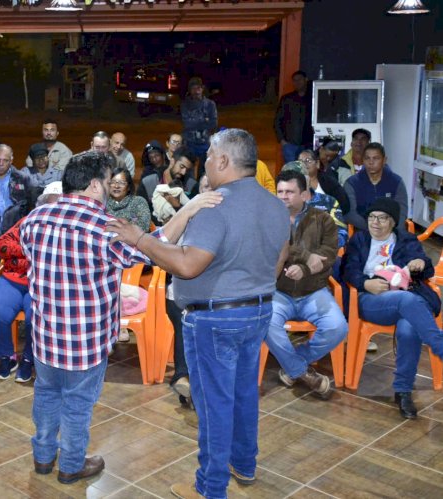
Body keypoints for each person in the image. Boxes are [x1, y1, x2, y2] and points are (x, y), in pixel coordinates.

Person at [108, 128, 289, 498]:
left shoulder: (215, 203)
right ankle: (245, 463)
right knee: (242, 393)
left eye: (209, 153)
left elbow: (189, 265)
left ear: (223, 161)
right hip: (258, 312)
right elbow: (278, 261)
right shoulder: (274, 204)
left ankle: (210, 488)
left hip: (215, 320)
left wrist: (139, 240)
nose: (206, 159)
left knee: (214, 404)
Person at [20, 151, 160, 485]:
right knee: (78, 404)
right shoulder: (104, 228)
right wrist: (188, 214)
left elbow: (27, 253)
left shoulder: (35, 218)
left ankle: (42, 458)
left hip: (44, 334)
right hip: (85, 341)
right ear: (96, 185)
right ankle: (70, 465)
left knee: (47, 394)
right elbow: (150, 250)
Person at [342, 198, 443, 419]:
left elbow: (426, 268)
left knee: (409, 328)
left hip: (405, 299)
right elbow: (348, 269)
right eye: (371, 217)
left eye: (382, 218)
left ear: (393, 222)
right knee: (407, 301)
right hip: (371, 300)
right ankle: (440, 345)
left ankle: (403, 390)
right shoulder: (359, 240)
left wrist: (420, 264)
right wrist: (365, 283)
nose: (375, 222)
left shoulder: (406, 240)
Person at [266, 170, 347, 399]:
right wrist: (304, 257)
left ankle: (294, 364)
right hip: (279, 290)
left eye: (290, 192)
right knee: (266, 321)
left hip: (313, 290)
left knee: (338, 327)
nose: (283, 196)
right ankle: (303, 372)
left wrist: (303, 269)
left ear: (305, 195)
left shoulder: (323, 220)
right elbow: (272, 250)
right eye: (280, 191)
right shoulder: (268, 219)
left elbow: (328, 255)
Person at [0, 182, 63, 383]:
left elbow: (56, 259)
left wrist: (21, 255)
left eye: (58, 204)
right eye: (49, 203)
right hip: (13, 279)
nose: (52, 208)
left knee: (34, 319)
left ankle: (29, 358)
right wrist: (30, 253)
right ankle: (7, 356)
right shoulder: (28, 221)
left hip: (43, 283)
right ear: (42, 204)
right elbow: (2, 244)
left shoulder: (67, 228)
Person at [344, 143, 408, 232]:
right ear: (363, 160)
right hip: (363, 231)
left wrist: (390, 230)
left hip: (392, 232)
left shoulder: (396, 182)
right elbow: (350, 213)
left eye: (376, 158)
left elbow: (402, 212)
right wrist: (373, 228)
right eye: (367, 158)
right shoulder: (352, 183)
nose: (371, 162)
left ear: (384, 160)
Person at [137, 148, 196, 225]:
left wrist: (177, 207)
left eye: (187, 170)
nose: (183, 172)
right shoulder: (149, 182)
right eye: (181, 167)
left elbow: (193, 215)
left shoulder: (191, 185)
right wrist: (160, 221)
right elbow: (138, 211)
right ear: (172, 161)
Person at [181, 77, 218, 176]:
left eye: (198, 88)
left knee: (204, 171)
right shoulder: (185, 104)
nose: (196, 91)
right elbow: (187, 124)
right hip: (189, 142)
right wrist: (204, 120)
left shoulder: (210, 104)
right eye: (193, 88)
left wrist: (195, 121)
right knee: (188, 170)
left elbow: (213, 123)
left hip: (205, 142)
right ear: (190, 90)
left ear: (202, 89)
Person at [274, 70, 313, 163]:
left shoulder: (313, 98)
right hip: (290, 145)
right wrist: (282, 141)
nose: (297, 82)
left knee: (307, 172)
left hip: (308, 144)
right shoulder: (287, 99)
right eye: (295, 80)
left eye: (300, 79)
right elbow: (277, 121)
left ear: (306, 80)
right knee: (291, 172)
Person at [298, 149, 350, 215]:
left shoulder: (329, 182)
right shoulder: (294, 183)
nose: (303, 164)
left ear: (317, 164)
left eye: (308, 160)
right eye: (300, 162)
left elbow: (345, 204)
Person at [106, 166, 151, 232]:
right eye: (113, 182)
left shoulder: (138, 202)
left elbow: (144, 227)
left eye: (121, 183)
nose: (116, 186)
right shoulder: (103, 203)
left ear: (129, 187)